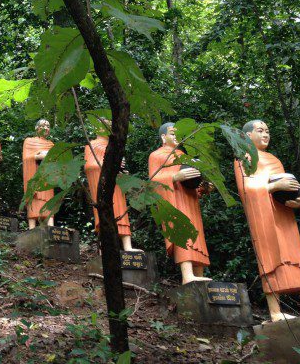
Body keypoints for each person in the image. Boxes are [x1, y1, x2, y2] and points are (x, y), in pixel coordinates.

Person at [234, 119, 300, 322]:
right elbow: (246, 189)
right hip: (263, 214)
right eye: (260, 131)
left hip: (283, 214)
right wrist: (272, 188)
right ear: (247, 136)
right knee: (270, 255)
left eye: (268, 131)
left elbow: (288, 184)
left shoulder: (274, 159)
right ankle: (275, 311)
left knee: (296, 255)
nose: (265, 134)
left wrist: (296, 199)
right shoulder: (243, 158)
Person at [149, 122, 211, 284]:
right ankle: (187, 275)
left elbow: (192, 181)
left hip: (189, 200)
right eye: (172, 133)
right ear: (163, 137)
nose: (177, 137)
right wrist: (175, 177)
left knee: (197, 235)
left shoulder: (185, 156)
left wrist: (202, 187)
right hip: (173, 201)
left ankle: (198, 272)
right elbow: (153, 181)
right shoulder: (156, 155)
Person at [85, 119, 137, 250]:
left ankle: (127, 246)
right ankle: (105, 248)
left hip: (117, 184)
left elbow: (120, 166)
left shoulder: (114, 146)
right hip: (102, 183)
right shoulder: (91, 145)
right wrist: (110, 165)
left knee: (121, 212)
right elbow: (90, 166)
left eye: (109, 125)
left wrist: (122, 171)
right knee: (104, 214)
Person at [22, 119, 54, 228]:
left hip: (47, 178)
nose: (46, 128)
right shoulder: (29, 141)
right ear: (37, 128)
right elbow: (26, 158)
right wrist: (37, 157)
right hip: (34, 176)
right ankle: (31, 228)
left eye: (48, 126)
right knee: (34, 201)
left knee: (49, 202)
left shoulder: (51, 144)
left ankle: (51, 227)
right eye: (43, 126)